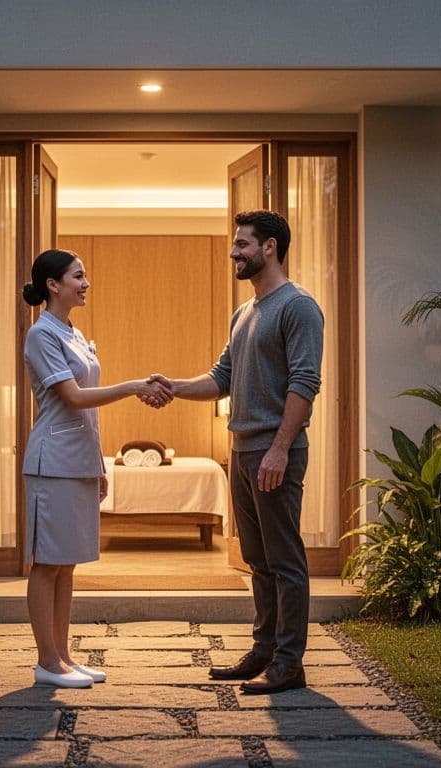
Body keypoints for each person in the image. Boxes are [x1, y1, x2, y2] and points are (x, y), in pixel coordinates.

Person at [156, 210, 323, 695]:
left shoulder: (298, 307)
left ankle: (289, 663)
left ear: (269, 247)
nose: (234, 252)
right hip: (243, 451)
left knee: (284, 558)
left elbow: (304, 383)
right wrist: (173, 387)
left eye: (242, 244)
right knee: (257, 558)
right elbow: (221, 378)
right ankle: (264, 650)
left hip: (274, 454)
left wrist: (279, 449)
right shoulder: (244, 313)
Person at [21, 248, 172, 689]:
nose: (86, 284)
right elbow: (72, 398)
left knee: (66, 564)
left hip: (78, 461)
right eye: (78, 276)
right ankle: (46, 662)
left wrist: (99, 462)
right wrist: (131, 387)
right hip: (52, 462)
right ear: (54, 284)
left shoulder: (72, 332)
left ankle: (64, 657)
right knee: (47, 563)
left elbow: (88, 414)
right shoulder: (41, 335)